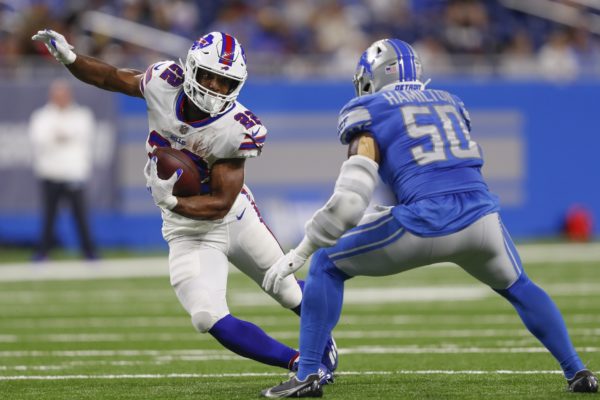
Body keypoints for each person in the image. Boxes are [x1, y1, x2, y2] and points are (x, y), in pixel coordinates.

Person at [260, 38, 599, 397]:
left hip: (424, 221)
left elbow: (350, 200)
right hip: (482, 220)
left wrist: (302, 249)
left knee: (327, 262)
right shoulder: (450, 102)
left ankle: (308, 374)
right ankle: (577, 371)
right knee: (520, 287)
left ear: (372, 76)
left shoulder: (370, 108)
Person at [31, 29, 337, 381]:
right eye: (209, 76)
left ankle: (323, 342)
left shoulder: (236, 127)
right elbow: (112, 77)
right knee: (206, 316)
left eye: (225, 82)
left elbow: (221, 203)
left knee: (285, 288)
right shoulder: (163, 82)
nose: (215, 88)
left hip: (233, 217)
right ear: (191, 68)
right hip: (185, 232)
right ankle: (301, 363)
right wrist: (71, 59)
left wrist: (172, 200)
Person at [29, 78, 98, 261]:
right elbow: (40, 140)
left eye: (63, 94)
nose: (60, 98)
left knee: (80, 217)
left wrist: (59, 136)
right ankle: (43, 253)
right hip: (50, 173)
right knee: (49, 217)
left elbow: (84, 137)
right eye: (57, 95)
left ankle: (89, 253)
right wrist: (63, 136)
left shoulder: (82, 115)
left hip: (74, 174)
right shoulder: (41, 116)